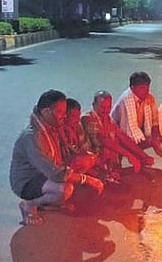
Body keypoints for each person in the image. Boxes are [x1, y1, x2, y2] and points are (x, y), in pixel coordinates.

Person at [9, 90, 104, 226]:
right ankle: (29, 204)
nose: (64, 116)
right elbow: (56, 173)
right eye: (60, 112)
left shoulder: (50, 126)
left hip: (46, 171)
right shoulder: (34, 137)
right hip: (28, 180)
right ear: (47, 112)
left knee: (86, 160)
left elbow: (68, 154)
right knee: (64, 189)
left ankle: (49, 202)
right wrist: (88, 180)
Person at [83, 90, 155, 182]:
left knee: (119, 142)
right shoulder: (88, 118)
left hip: (104, 160)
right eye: (102, 107)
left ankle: (114, 172)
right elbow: (104, 141)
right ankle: (105, 175)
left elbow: (123, 137)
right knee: (110, 147)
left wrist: (143, 155)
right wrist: (129, 156)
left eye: (108, 107)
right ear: (94, 105)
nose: (105, 110)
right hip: (91, 162)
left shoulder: (108, 119)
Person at [111, 71, 162, 156]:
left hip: (137, 130)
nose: (145, 91)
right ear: (132, 88)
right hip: (120, 134)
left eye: (147, 88)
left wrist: (156, 137)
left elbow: (154, 121)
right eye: (141, 88)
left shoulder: (149, 97)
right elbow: (129, 131)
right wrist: (152, 142)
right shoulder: (126, 100)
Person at [59, 98, 97, 174]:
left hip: (74, 164)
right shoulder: (60, 131)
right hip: (61, 168)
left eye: (78, 116)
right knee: (86, 160)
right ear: (65, 116)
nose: (77, 119)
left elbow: (84, 149)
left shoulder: (78, 127)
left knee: (91, 158)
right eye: (73, 116)